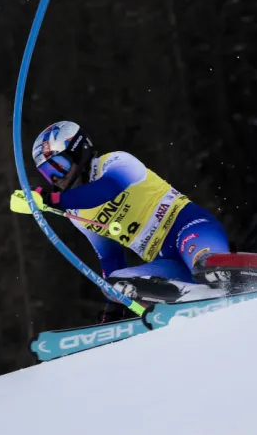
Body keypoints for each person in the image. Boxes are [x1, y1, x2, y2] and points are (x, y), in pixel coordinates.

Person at [30, 120, 234, 315]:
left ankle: (222, 279)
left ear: (78, 152)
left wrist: (53, 200)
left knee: (205, 266)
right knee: (113, 284)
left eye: (58, 165)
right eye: (48, 173)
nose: (56, 178)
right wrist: (113, 308)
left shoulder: (115, 162)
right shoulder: (76, 213)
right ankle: (188, 295)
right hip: (166, 263)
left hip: (189, 229)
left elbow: (105, 190)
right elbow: (111, 257)